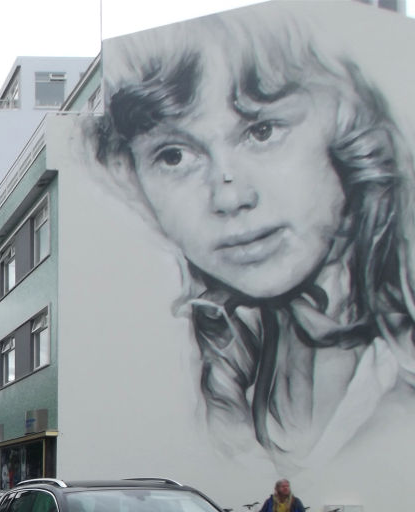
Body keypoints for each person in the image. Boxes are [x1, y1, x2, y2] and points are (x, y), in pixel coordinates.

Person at [91, 6, 415, 466]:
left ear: (346, 127)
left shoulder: (397, 363)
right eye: (175, 156)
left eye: (261, 131)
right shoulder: (231, 350)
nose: (229, 196)